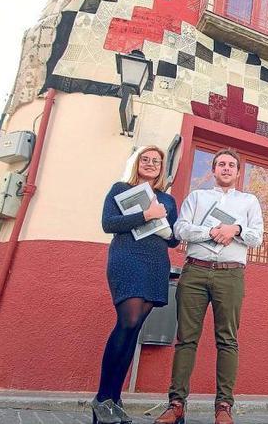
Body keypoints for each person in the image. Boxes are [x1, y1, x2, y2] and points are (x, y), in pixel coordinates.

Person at [155, 148, 263, 424]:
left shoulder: (249, 201)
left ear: (238, 172)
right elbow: (180, 229)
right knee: (186, 339)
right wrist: (213, 232)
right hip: (195, 272)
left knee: (227, 340)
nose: (226, 168)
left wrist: (235, 229)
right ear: (213, 170)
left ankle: (224, 406)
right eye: (221, 165)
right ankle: (176, 404)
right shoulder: (197, 196)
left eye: (231, 165)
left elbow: (257, 237)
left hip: (230, 275)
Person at [92, 146, 180, 424]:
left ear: (162, 167)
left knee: (133, 331)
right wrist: (146, 215)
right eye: (146, 159)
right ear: (137, 163)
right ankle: (102, 399)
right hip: (126, 258)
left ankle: (114, 401)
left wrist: (162, 218)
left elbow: (174, 239)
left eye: (157, 161)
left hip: (155, 263)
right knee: (127, 322)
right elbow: (108, 223)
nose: (151, 163)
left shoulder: (167, 198)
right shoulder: (120, 189)